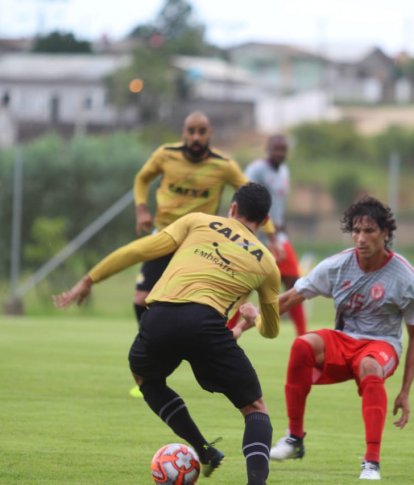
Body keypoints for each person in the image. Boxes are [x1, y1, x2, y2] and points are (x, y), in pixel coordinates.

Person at [54, 183, 281, 485]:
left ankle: (204, 450)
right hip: (206, 325)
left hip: (160, 315)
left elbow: (138, 250)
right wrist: (252, 320)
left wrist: (89, 279)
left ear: (233, 208)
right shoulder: (267, 263)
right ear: (265, 221)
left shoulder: (199, 220)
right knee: (254, 408)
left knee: (145, 378)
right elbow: (272, 330)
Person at [236, 196, 414, 481]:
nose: (361, 238)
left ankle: (371, 463)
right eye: (356, 231)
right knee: (302, 345)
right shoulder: (336, 266)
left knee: (370, 367)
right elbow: (287, 300)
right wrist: (239, 328)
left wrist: (406, 390)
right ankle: (294, 439)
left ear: (385, 233)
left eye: (370, 231)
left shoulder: (406, 277)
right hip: (343, 340)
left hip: (382, 345)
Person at [131, 110, 279, 397]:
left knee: (201, 305)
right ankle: (153, 360)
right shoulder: (165, 154)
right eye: (191, 131)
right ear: (184, 133)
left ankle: (199, 351)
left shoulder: (223, 165)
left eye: (202, 131)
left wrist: (271, 237)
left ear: (210, 134)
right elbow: (142, 178)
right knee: (141, 299)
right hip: (165, 236)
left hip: (202, 243)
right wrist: (140, 208)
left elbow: (252, 200)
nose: (196, 137)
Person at [227, 134, 307, 336]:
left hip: (279, 239)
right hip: (257, 238)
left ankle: (303, 336)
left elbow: (279, 208)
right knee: (242, 290)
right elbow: (245, 199)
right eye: (275, 148)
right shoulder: (256, 169)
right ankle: (225, 334)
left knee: (296, 284)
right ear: (268, 148)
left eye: (283, 149)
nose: (279, 152)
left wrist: (283, 234)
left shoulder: (284, 171)